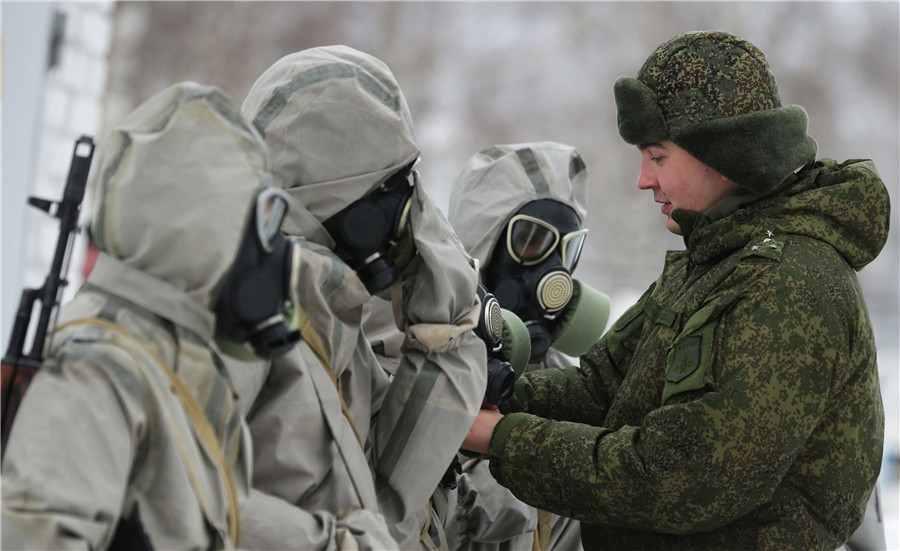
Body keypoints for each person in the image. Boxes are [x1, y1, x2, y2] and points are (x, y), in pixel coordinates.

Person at [461, 30, 890, 550]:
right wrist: (485, 392)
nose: (644, 179)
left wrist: (500, 439)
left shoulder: (789, 287)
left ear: (725, 154)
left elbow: (680, 478)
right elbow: (602, 393)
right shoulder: (712, 263)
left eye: (658, 157)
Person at [1, 82, 301, 550]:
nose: (268, 252)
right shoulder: (99, 370)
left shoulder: (161, 354)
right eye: (258, 225)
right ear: (207, 229)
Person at [226, 45, 487, 550]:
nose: (411, 213)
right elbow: (381, 518)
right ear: (347, 202)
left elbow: (394, 498)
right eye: (396, 188)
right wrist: (448, 318)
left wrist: (444, 328)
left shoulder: (329, 323)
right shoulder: (263, 335)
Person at [430, 141, 613, 551]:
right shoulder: (425, 373)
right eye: (531, 241)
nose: (555, 276)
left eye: (569, 249)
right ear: (481, 249)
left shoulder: (576, 387)